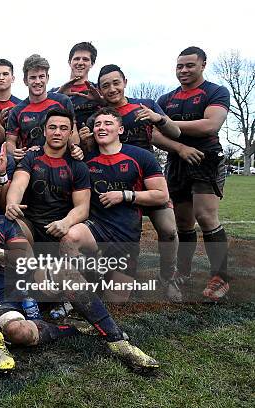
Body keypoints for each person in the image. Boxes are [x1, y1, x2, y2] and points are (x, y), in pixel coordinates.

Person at [0, 180, 160, 372]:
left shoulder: (3, 223)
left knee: (63, 269)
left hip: (25, 285)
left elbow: (27, 257)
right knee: (16, 331)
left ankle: (118, 341)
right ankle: (4, 334)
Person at [94, 64, 201, 300]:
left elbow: (175, 132)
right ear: (100, 90)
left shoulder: (145, 105)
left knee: (169, 230)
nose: (112, 89)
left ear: (125, 82)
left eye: (115, 82)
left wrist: (158, 118)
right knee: (104, 231)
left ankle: (168, 277)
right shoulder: (99, 114)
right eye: (105, 86)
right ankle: (105, 275)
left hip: (147, 178)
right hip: (113, 181)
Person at [61, 107, 170, 285]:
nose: (102, 128)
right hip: (96, 226)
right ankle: (83, 285)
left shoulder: (141, 156)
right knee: (70, 238)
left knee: (117, 300)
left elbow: (162, 196)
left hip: (126, 232)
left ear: (120, 129)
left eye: (108, 123)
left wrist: (124, 195)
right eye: (97, 124)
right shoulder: (85, 159)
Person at [157, 46, 231, 300]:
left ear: (202, 65)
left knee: (206, 216)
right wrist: (179, 145)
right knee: (183, 222)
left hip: (206, 158)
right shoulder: (166, 99)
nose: (184, 70)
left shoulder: (216, 92)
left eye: (189, 65)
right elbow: (155, 134)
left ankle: (220, 277)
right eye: (180, 66)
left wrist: (167, 123)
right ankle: (183, 272)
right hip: (177, 162)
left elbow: (210, 125)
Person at [5, 108, 90, 245]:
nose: (57, 132)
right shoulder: (30, 157)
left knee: (71, 238)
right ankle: (27, 265)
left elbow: (83, 208)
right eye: (52, 127)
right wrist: (12, 204)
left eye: (63, 128)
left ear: (70, 133)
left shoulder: (78, 166)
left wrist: (66, 222)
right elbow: (19, 184)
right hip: (30, 223)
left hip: (62, 224)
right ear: (44, 131)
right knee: (13, 226)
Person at [6, 54, 75, 161]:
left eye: (41, 76)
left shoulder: (63, 101)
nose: (37, 81)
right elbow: (10, 141)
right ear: (25, 80)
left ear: (47, 78)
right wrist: (14, 152)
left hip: (62, 162)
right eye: (33, 77)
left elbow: (73, 132)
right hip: (31, 164)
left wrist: (76, 149)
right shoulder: (17, 111)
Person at [54, 42, 104, 128]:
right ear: (69, 62)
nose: (80, 63)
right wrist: (58, 95)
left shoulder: (99, 91)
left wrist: (101, 101)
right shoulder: (55, 93)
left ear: (92, 64)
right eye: (76, 59)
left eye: (85, 59)